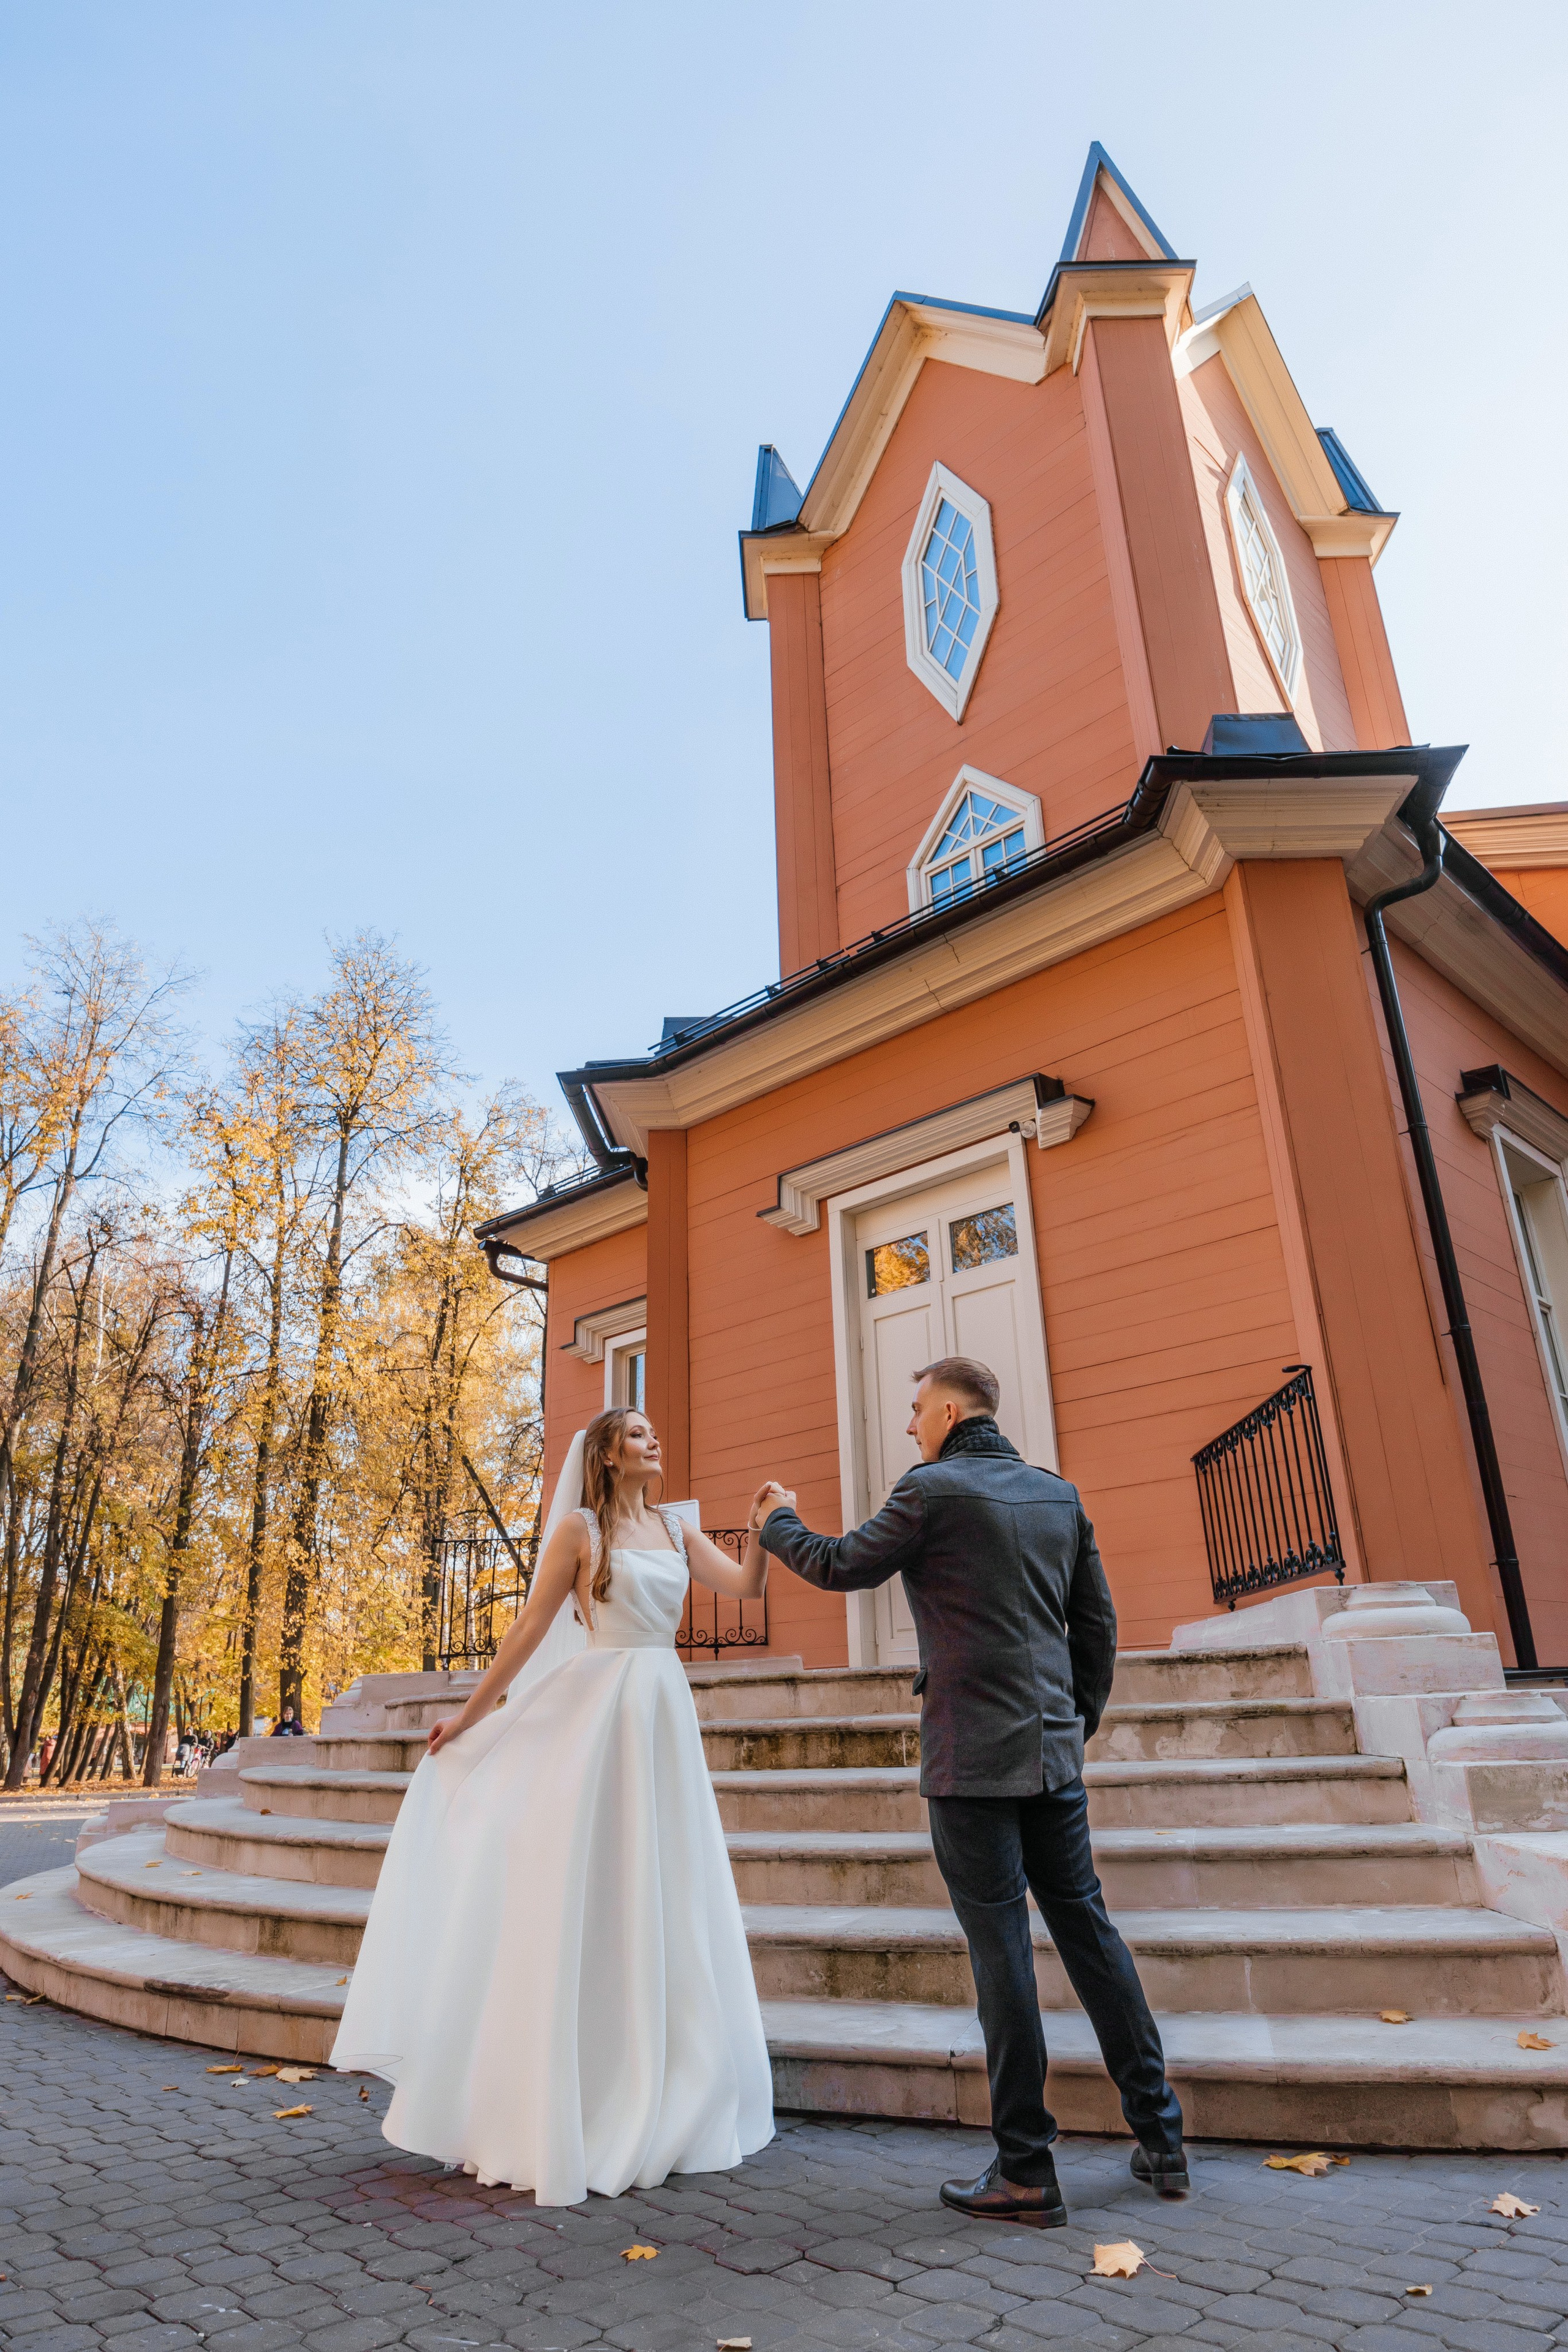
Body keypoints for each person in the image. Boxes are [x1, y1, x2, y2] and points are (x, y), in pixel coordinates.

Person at [754, 1354, 1186, 2227]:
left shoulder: (933, 1491)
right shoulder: (1057, 1495)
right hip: (1051, 1755)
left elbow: (840, 1566)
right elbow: (1095, 1628)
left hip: (972, 1762)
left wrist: (778, 1521)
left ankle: (1026, 2171)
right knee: (1090, 1933)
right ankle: (1164, 2139)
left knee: (1002, 1956)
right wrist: (1071, 1728)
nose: (909, 1424)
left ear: (951, 1412)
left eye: (916, 1410)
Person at [331, 1407, 775, 2207]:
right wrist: (469, 1716)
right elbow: (530, 1629)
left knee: (669, 1885)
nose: (655, 1440)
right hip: (604, 1712)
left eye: (654, 1431)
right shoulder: (579, 1532)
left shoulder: (676, 1529)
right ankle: (574, 2088)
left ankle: (674, 2084)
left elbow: (742, 1586)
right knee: (603, 1883)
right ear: (607, 1453)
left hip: (663, 1714)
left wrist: (764, 1530)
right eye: (639, 1434)